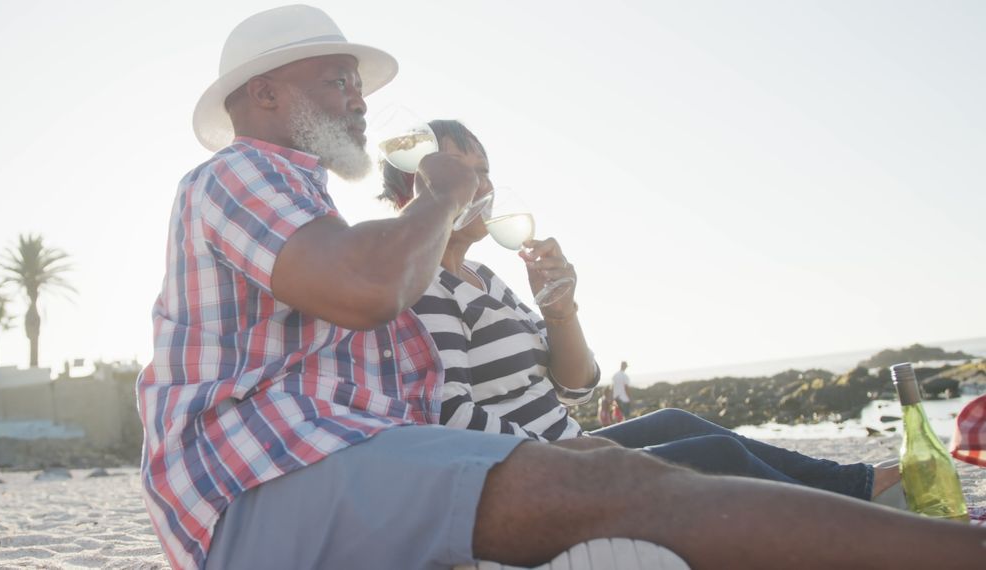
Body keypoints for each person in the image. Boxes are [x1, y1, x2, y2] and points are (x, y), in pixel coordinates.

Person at [138, 6, 986, 570]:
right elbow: (370, 292)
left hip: (320, 473)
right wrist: (440, 192)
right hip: (262, 488)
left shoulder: (308, 210)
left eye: (358, 83)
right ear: (265, 93)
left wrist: (558, 325)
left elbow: (504, 388)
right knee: (628, 482)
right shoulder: (238, 174)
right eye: (337, 81)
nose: (357, 100)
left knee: (609, 461)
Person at [383, 118, 903, 501]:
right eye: (463, 172)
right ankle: (853, 518)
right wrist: (563, 453)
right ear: (418, 185)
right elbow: (447, 412)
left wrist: (563, 312)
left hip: (570, 443)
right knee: (716, 459)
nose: (485, 187)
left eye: (486, 171)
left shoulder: (485, 278)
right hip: (533, 473)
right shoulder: (424, 283)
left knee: (674, 419)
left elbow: (576, 388)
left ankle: (853, 488)